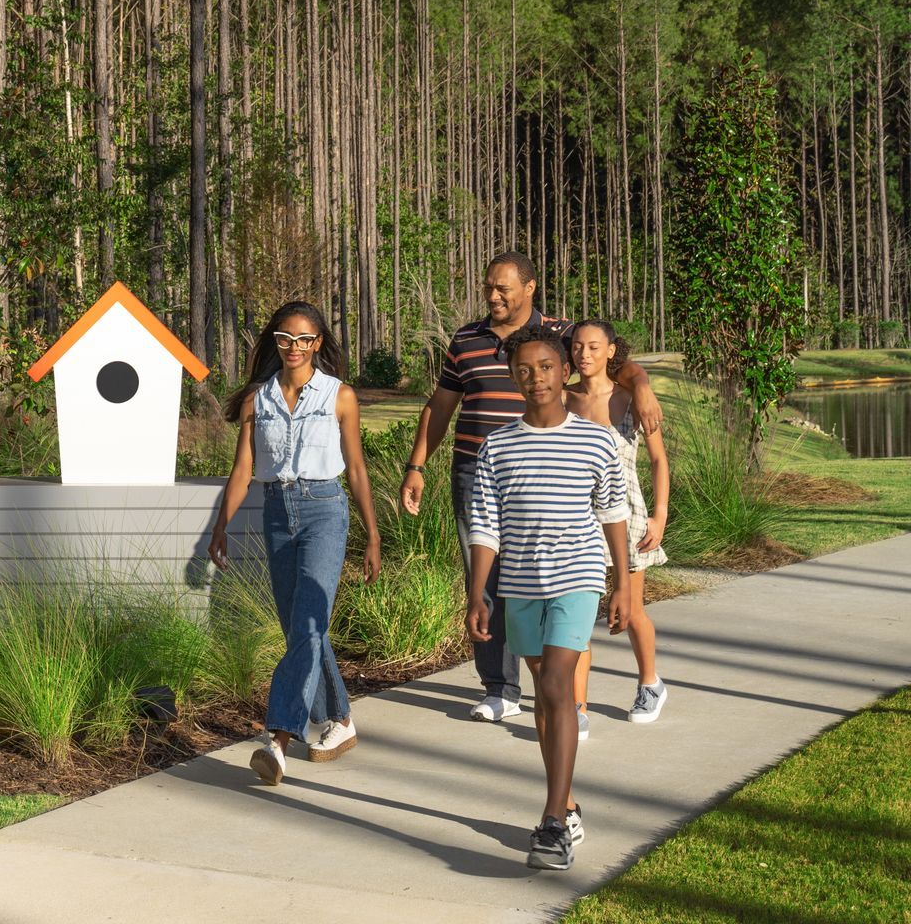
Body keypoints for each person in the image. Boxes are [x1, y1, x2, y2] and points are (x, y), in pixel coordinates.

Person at [401, 251, 660, 723]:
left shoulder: (560, 335)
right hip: (477, 469)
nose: (493, 296)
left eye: (503, 288)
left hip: (553, 472)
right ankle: (501, 688)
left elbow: (611, 363)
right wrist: (417, 465)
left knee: (552, 579)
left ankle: (561, 693)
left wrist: (640, 384)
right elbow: (439, 407)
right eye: (488, 288)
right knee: (485, 578)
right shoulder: (466, 339)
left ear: (530, 288)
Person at [466, 330, 631, 871]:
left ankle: (553, 824)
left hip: (577, 576)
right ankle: (568, 803)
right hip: (519, 584)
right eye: (524, 369)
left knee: (558, 683)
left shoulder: (595, 440)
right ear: (513, 377)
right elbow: (486, 525)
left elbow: (612, 515)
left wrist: (621, 583)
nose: (534, 378)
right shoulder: (498, 446)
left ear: (565, 372)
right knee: (544, 692)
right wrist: (478, 594)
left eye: (545, 368)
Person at [207, 301, 381, 787]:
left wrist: (372, 533)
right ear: (275, 342)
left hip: (326, 509)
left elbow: (358, 467)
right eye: (285, 339)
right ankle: (339, 719)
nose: (294, 348)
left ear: (318, 343)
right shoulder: (257, 401)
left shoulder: (339, 397)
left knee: (307, 622)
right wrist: (221, 525)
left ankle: (278, 740)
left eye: (304, 340)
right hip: (277, 513)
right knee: (300, 627)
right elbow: (243, 469)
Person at [567, 320, 670, 727]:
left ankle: (650, 684)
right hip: (576, 519)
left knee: (631, 610)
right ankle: (578, 709)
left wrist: (659, 515)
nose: (584, 354)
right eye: (577, 346)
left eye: (594, 346)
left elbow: (660, 461)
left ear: (612, 351)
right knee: (577, 618)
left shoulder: (631, 400)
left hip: (627, 517)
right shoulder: (563, 398)